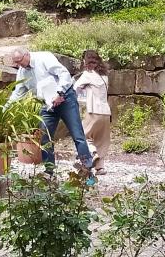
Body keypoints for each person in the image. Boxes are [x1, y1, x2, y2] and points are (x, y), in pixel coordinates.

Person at [8, 47, 98, 178]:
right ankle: (49, 171)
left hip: (65, 98)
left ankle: (87, 168)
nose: (18, 65)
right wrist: (4, 110)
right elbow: (18, 93)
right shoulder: (22, 72)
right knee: (45, 137)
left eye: (19, 61)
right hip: (48, 104)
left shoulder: (44, 58)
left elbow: (63, 73)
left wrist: (60, 92)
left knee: (77, 134)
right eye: (15, 62)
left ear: (27, 54)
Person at [74, 50, 111, 175]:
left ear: (86, 61)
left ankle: (92, 154)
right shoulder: (105, 76)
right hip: (106, 112)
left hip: (93, 110)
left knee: (84, 136)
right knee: (101, 140)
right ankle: (100, 168)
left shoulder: (87, 74)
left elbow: (75, 87)